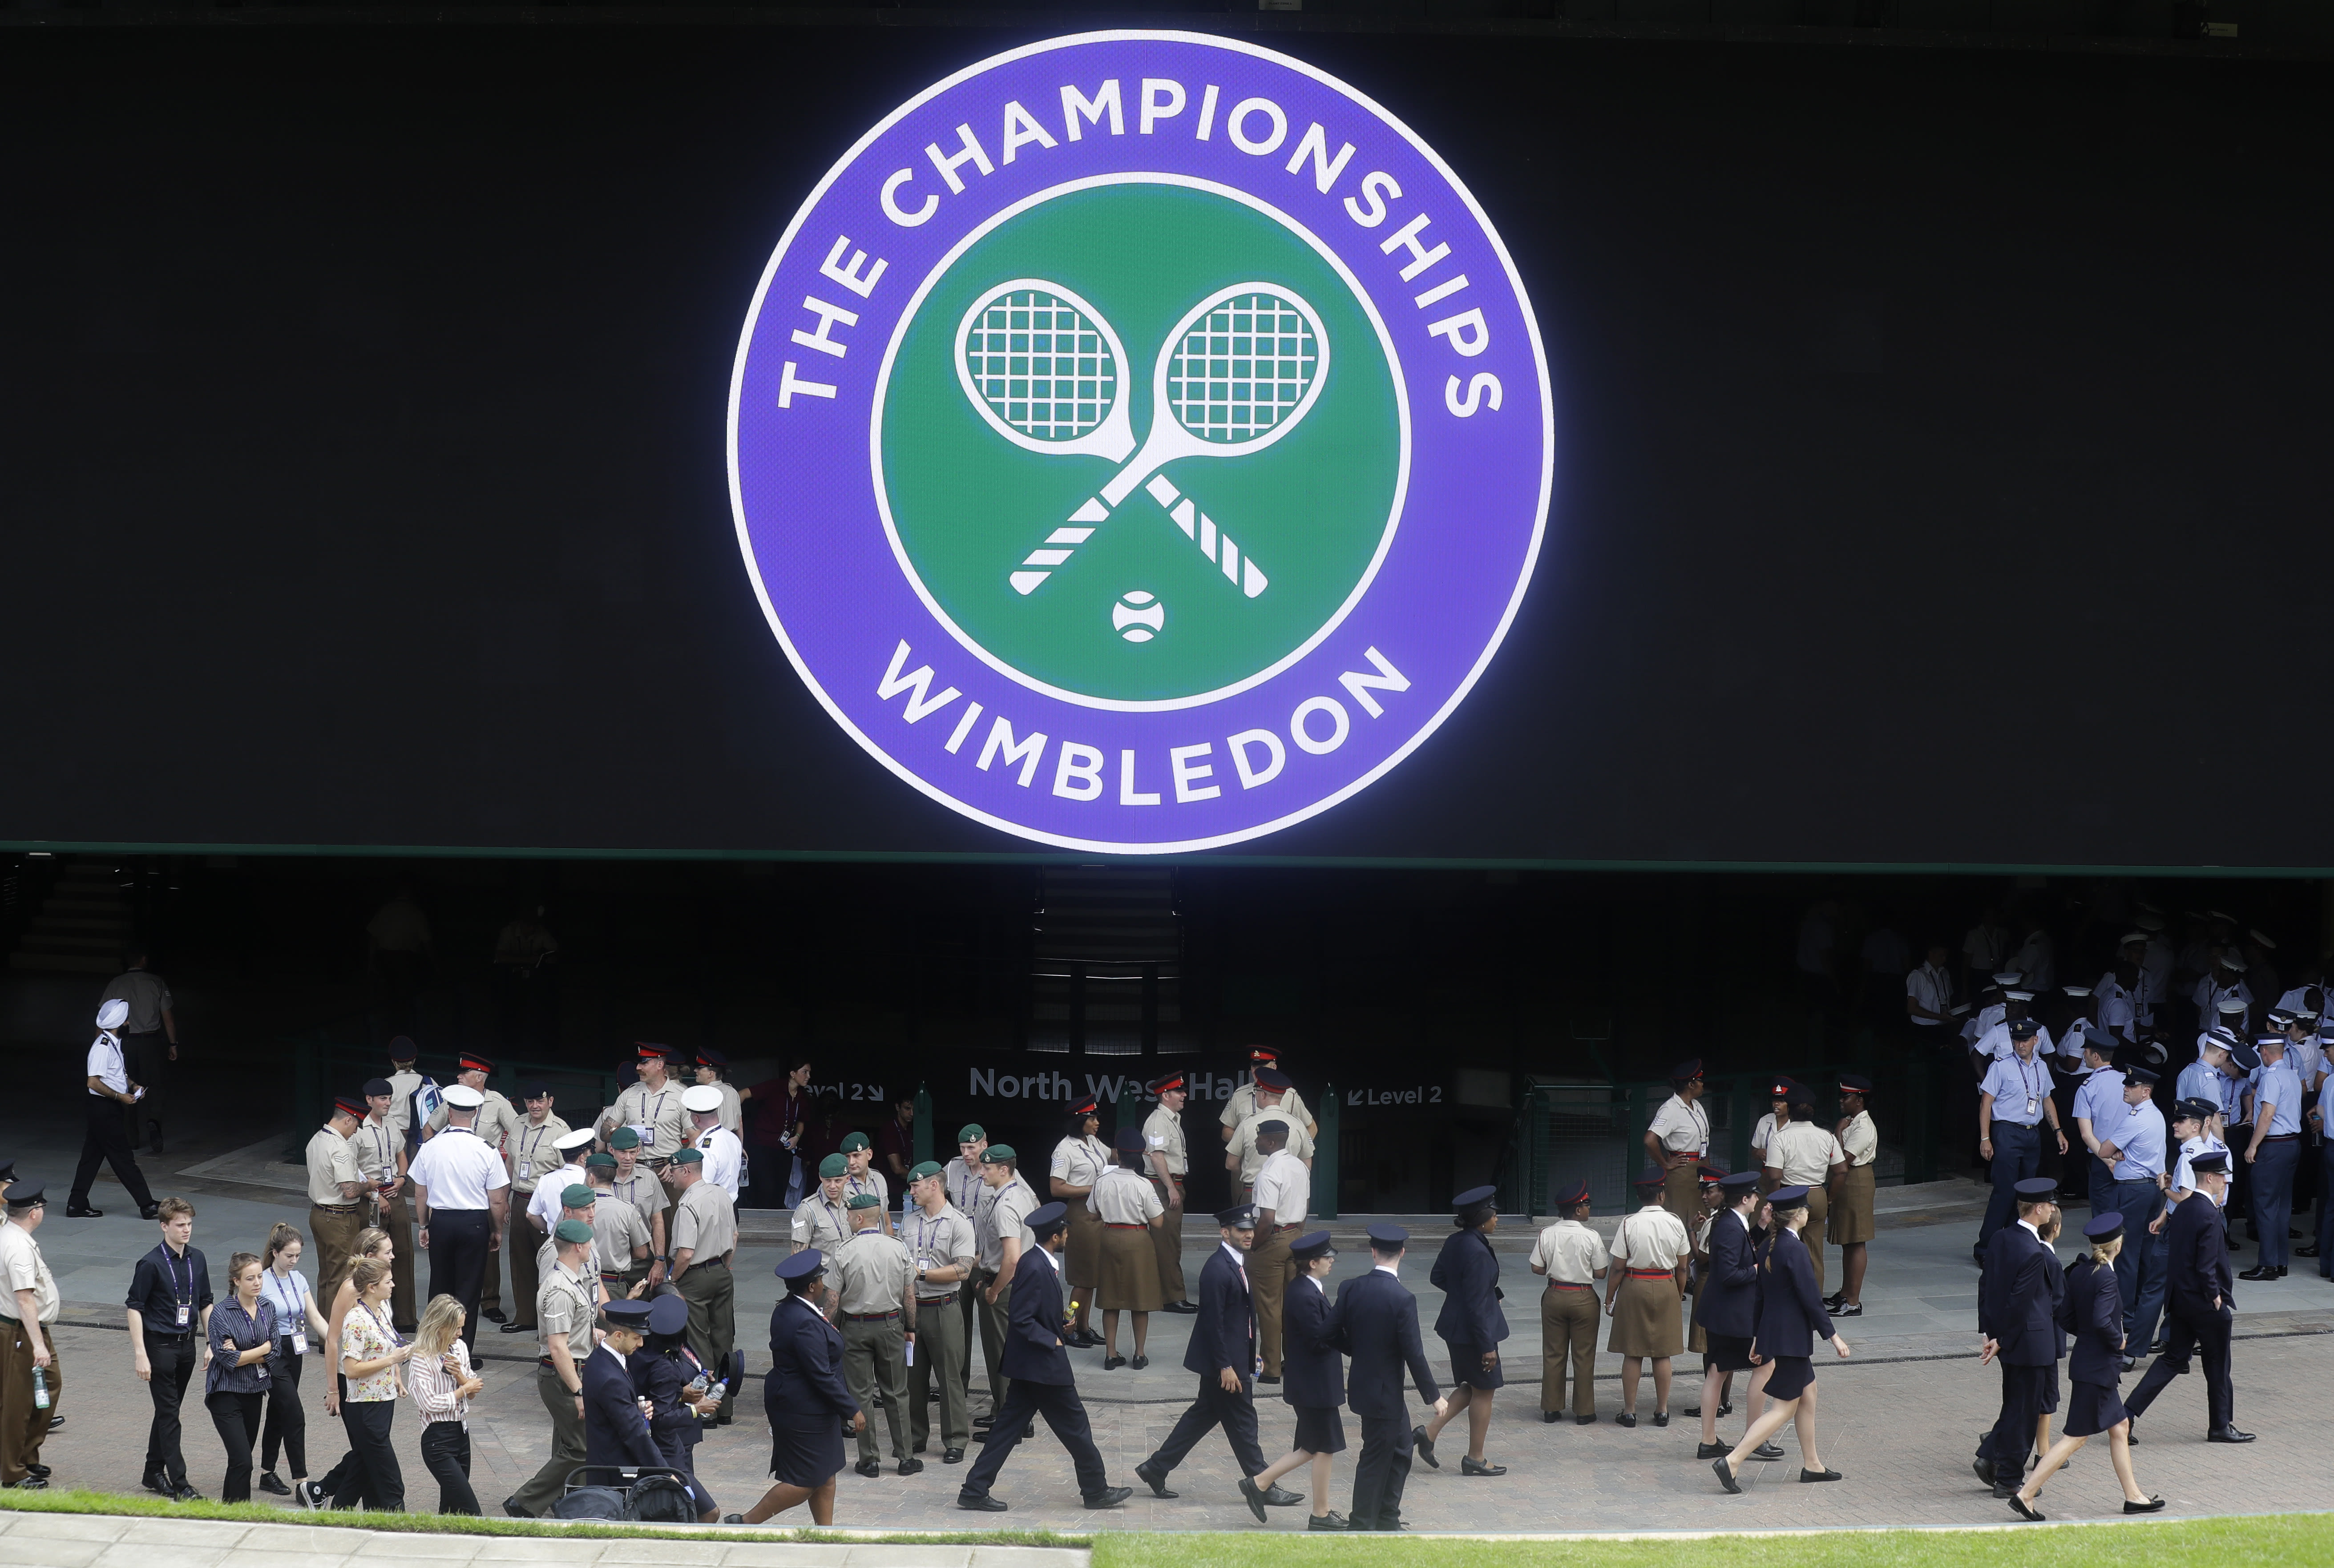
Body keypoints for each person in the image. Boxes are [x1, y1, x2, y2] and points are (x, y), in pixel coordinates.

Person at [954, 1202, 1131, 1513]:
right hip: (1043, 1366)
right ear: (1057, 1235)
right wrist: (1052, 1338)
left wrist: (1057, 1323)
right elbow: (1021, 1318)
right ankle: (1096, 1490)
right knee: (1076, 1427)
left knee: (1008, 1429)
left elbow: (1033, 1312)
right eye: (1065, 1232)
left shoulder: (1036, 1260)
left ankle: (974, 1489)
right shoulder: (1036, 1266)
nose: (1068, 1236)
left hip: (1028, 1367)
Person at [1135, 1204, 1292, 1508]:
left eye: (1250, 1230)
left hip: (1233, 1358)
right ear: (1225, 1232)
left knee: (1202, 1415)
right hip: (1225, 1364)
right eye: (1241, 1230)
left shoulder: (1237, 1262)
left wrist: (1251, 1353)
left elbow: (1240, 1318)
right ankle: (1262, 1484)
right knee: (1244, 1421)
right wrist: (1226, 1365)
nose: (1249, 1235)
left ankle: (1155, 1468)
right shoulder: (1217, 1269)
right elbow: (1213, 1322)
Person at [2009, 1213, 2164, 1520]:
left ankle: (2134, 1496)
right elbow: (2101, 1321)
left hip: (2090, 1364)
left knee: (2120, 1426)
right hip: (2097, 1368)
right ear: (2118, 1245)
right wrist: (2117, 1339)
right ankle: (2025, 1494)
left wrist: (2094, 1336)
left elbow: (2065, 1317)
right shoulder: (2106, 1276)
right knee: (2075, 1437)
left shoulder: (2081, 1272)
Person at [1710, 1185, 1849, 1493]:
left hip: (1778, 1334)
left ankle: (1812, 1464)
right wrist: (1834, 1336)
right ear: (1799, 1215)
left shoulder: (1770, 1245)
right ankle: (1733, 1461)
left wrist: (1759, 1336)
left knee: (1808, 1394)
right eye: (1806, 1209)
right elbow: (1811, 1298)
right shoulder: (1795, 1249)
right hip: (1792, 1338)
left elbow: (1760, 1297)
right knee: (1784, 1408)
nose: (1809, 1212)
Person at [2122, 1150, 2249, 1442]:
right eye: (2222, 1177)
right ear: (2210, 1178)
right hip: (2205, 1303)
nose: (2225, 1182)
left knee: (2172, 1359)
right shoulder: (2208, 1213)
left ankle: (2126, 1413)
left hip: (2180, 1300)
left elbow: (2179, 1257)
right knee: (2219, 1366)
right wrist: (2215, 1296)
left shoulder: (2185, 1208)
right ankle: (2221, 1425)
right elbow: (2207, 1263)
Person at [728, 1250, 858, 1526]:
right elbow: (820, 1375)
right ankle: (748, 1522)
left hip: (810, 1406)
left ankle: (826, 1536)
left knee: (826, 1473)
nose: (824, 1283)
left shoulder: (792, 1308)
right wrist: (852, 1409)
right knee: (806, 1480)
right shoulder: (804, 1323)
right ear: (812, 1287)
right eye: (821, 1279)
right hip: (803, 1409)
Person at [1332, 1222, 1445, 1532]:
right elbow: (1414, 1353)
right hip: (1384, 1394)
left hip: (1370, 1388)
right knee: (1375, 1456)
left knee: (1402, 1446)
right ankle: (1362, 1523)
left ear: (1373, 1252)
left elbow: (1329, 1332)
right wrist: (1434, 1396)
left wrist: (1357, 1348)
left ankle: (1387, 1516)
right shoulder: (1402, 1298)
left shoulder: (1350, 1287)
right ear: (1403, 1253)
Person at [1236, 1230, 1347, 1529]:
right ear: (1313, 1262)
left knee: (1312, 1447)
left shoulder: (1308, 1288)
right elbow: (1318, 1340)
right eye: (1328, 1258)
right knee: (1324, 1447)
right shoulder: (1305, 1293)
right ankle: (1320, 1513)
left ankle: (1259, 1482)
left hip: (1313, 1384)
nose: (1331, 1261)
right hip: (1315, 1386)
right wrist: (1347, 1327)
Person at [503, 1219, 600, 1518]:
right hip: (563, 1375)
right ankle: (525, 1501)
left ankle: (572, 1501)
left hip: (571, 1370)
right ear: (580, 1247)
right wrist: (579, 1389)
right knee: (580, 1447)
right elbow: (558, 1346)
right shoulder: (560, 1288)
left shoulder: (572, 1280)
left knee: (570, 1442)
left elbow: (575, 1330)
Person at [1974, 1177, 2064, 1499]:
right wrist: (2002, 1339)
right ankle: (2010, 1478)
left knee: (2014, 1407)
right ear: (2038, 1209)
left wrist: (1991, 1333)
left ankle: (2004, 1471)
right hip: (2028, 1344)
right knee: (2023, 1414)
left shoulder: (2000, 1239)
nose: (2053, 1209)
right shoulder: (2034, 1251)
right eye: (2050, 1205)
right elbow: (2020, 1303)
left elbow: (1987, 1287)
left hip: (2011, 1342)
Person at [408, 1082, 511, 1350]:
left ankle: (434, 1348)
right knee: (469, 1290)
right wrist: (497, 1230)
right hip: (474, 1222)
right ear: (475, 1114)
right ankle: (461, 1353)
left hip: (441, 1220)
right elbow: (497, 1199)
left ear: (449, 1113)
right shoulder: (486, 1149)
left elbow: (421, 1193)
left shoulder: (431, 1147)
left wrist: (424, 1225)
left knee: (440, 1286)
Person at [421, 1055, 521, 1326]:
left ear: (480, 1076)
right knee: (466, 1256)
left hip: (484, 1183)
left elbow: (517, 1133)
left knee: (486, 1251)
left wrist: (504, 1172)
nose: (459, 1076)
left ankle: (490, 1301)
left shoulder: (498, 1102)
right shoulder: (451, 1101)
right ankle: (461, 1327)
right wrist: (438, 1158)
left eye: (465, 1072)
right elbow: (429, 1128)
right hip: (461, 1186)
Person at [1416, 1185, 1508, 1475]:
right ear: (1482, 1218)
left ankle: (1428, 1433)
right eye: (1494, 1215)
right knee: (1485, 1390)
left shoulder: (1457, 1241)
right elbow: (1478, 1306)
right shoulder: (1478, 1251)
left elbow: (1438, 1276)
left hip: (1455, 1328)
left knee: (1470, 1386)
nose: (1498, 1219)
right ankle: (1475, 1458)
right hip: (1474, 1333)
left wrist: (1468, 1293)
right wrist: (1488, 1346)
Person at [827, 1191, 918, 1477]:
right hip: (891, 1325)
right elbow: (909, 1296)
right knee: (897, 1392)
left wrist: (827, 1327)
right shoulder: (898, 1247)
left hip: (855, 1328)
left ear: (858, 1218)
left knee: (861, 1394)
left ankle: (869, 1460)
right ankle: (905, 1458)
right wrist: (910, 1327)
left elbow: (833, 1299)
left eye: (849, 1217)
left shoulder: (844, 1251)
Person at [127, 1197, 212, 1500]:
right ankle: (180, 1482)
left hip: (186, 1344)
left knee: (169, 1410)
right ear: (164, 1226)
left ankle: (152, 1470)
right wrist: (140, 1352)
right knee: (169, 1414)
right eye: (180, 1224)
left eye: (189, 1223)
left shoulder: (197, 1258)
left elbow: (205, 1302)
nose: (186, 1229)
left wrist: (211, 1341)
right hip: (160, 1345)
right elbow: (135, 1307)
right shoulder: (150, 1263)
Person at [901, 1159, 975, 1463]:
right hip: (914, 1309)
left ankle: (955, 1439)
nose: (911, 1191)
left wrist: (922, 1274)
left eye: (915, 1185)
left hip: (944, 1307)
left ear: (934, 1185)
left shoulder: (958, 1223)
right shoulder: (909, 1222)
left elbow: (964, 1270)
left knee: (950, 1378)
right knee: (913, 1379)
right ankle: (916, 1437)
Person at [1976, 1020, 2068, 1262]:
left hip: (2032, 1133)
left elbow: (2047, 1101)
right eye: (2016, 1040)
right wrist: (1985, 1137)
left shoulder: (2041, 1068)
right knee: (2005, 1192)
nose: (2020, 1045)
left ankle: (2012, 1243)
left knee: (2027, 1195)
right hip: (2006, 1131)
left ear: (2036, 1041)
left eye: (2025, 1040)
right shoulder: (2001, 1067)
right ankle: (1985, 1248)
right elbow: (1986, 1103)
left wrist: (2058, 1130)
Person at [1604, 1171, 1691, 1428]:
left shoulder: (1629, 1223)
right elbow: (1683, 1268)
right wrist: (1677, 1294)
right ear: (1662, 1195)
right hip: (1666, 1283)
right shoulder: (1675, 1222)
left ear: (1640, 1198)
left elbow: (1618, 1267)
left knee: (1633, 1352)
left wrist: (1610, 1297)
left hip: (1634, 1284)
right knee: (1662, 1353)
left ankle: (1629, 1411)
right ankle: (1662, 1411)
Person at [2095, 1066, 2168, 1356]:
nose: (2126, 1088)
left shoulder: (2136, 1119)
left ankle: (2126, 1314)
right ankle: (2137, 1308)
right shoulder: (2156, 1114)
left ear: (2145, 1091)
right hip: (2150, 1187)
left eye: (2132, 1085)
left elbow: (2103, 1149)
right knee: (2145, 1253)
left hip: (2133, 1189)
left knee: (2126, 1253)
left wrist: (2115, 1152)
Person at [254, 1223, 328, 1500]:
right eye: (289, 1255)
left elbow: (315, 1318)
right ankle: (302, 1480)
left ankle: (267, 1473)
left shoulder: (299, 1280)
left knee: (278, 1411)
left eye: (298, 1255)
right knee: (295, 1414)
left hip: (295, 1350)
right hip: (273, 1351)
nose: (294, 1261)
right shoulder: (261, 1280)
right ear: (275, 1253)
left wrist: (337, 1340)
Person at [1692, 1171, 1763, 1458]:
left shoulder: (1733, 1222)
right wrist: (1756, 1272)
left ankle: (1709, 1441)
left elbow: (1741, 1251)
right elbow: (1730, 1273)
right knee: (1765, 1366)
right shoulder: (1732, 1226)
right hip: (1731, 1316)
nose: (1759, 1198)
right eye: (1755, 1195)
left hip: (1723, 1314)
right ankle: (1755, 1438)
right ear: (1745, 1199)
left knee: (1716, 1372)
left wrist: (1761, 1229)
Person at [69, 999, 159, 1221]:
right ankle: (147, 1205)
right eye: (127, 1021)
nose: (129, 1023)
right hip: (104, 1109)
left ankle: (76, 1204)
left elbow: (117, 1074)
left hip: (106, 1108)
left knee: (91, 1157)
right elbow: (93, 1082)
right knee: (123, 1158)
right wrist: (121, 1097)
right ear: (120, 1024)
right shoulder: (102, 1048)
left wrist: (133, 1086)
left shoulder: (113, 1043)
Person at [668, 1146, 739, 1425]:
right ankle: (725, 1409)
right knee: (724, 1340)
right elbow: (734, 1235)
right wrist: (725, 1264)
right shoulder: (721, 1193)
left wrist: (673, 1280)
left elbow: (685, 1253)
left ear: (686, 1171)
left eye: (674, 1171)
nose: (671, 1177)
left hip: (695, 1276)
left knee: (697, 1343)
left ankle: (705, 1408)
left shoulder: (687, 1205)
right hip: (722, 1271)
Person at [635, 1294, 722, 1521]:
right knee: (708, 1513)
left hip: (653, 1449)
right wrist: (696, 1409)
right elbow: (661, 1419)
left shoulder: (641, 1353)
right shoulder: (664, 1368)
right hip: (667, 1454)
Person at [201, 1251, 276, 1505]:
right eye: (250, 1278)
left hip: (254, 1391)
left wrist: (247, 1352)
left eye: (259, 1277)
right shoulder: (222, 1313)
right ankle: (236, 1510)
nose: (257, 1283)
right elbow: (226, 1359)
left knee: (240, 1460)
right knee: (244, 1459)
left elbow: (276, 1352)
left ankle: (232, 1511)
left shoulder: (267, 1308)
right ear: (236, 1281)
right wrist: (262, 1349)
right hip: (226, 1394)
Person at [0, 1180, 61, 1491]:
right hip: (21, 1332)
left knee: (49, 1385)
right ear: (35, 1212)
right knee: (18, 1402)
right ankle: (12, 1471)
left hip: (26, 1329)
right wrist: (38, 1344)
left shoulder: (11, 1234)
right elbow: (24, 1298)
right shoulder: (19, 1246)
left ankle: (25, 1455)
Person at [1528, 1178, 1604, 1426]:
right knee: (1583, 1355)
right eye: (1588, 1205)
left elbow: (1536, 1267)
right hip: (1583, 1296)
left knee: (1553, 1354)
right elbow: (1602, 1272)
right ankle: (1584, 1412)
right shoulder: (1591, 1236)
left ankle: (1551, 1409)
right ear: (1578, 1209)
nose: (1589, 1209)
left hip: (1555, 1294)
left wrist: (1556, 1268)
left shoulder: (1547, 1233)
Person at [337, 1258, 410, 1511]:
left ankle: (338, 1510)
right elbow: (351, 1369)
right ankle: (396, 1517)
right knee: (389, 1477)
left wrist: (396, 1376)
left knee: (363, 1465)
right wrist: (392, 1359)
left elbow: (387, 1348)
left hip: (383, 1400)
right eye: (388, 1282)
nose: (393, 1285)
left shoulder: (380, 1311)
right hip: (366, 1405)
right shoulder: (357, 1319)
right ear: (371, 1287)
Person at [972, 1145, 1038, 1419]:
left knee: (1001, 1353)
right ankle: (1016, 1414)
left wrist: (993, 1290)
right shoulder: (1021, 1194)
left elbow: (1011, 1258)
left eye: (987, 1168)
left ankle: (1007, 1415)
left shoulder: (1005, 1204)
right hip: (1021, 1283)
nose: (982, 1173)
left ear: (1004, 1170)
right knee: (1017, 1352)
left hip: (1006, 1286)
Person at [1090, 1128, 1165, 1369]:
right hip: (1138, 1238)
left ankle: (1111, 1354)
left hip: (1110, 1235)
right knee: (1140, 1299)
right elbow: (1158, 1221)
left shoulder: (1103, 1181)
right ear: (1140, 1156)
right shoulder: (1143, 1184)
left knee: (1111, 1298)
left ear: (1118, 1155)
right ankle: (1139, 1355)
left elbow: (1092, 1213)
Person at [504, 1084, 570, 1339]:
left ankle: (550, 1320)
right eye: (530, 1102)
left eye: (540, 1102)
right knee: (520, 1259)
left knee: (550, 1260)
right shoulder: (518, 1124)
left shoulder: (560, 1129)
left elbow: (567, 1170)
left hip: (546, 1202)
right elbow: (511, 1162)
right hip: (520, 1198)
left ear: (550, 1101)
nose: (535, 1107)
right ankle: (525, 1317)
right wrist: (506, 1197)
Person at [406, 1294, 483, 1514]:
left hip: (461, 1432)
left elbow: (474, 1391)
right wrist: (462, 1390)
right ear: (440, 1327)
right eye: (456, 1328)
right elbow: (428, 1403)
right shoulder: (421, 1358)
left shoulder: (459, 1348)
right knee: (470, 1509)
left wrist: (460, 1376)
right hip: (437, 1440)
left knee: (451, 1508)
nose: (460, 1334)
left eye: (461, 1328)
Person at [1250, 1117, 1311, 1382]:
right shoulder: (1299, 1166)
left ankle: (1271, 1370)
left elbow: (1266, 1219)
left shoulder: (1268, 1173)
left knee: (1269, 1307)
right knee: (1291, 1306)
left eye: (1259, 1138)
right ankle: (1295, 1362)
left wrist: (1252, 1246)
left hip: (1272, 1239)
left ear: (1271, 1141)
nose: (1256, 1142)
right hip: (1296, 1236)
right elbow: (1305, 1207)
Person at [2240, 1032, 2305, 1280]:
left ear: (2265, 1052)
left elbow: (2267, 1114)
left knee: (2266, 1206)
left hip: (2273, 1146)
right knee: (2282, 1206)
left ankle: (2268, 1264)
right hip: (2291, 1144)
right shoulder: (2291, 1074)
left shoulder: (2271, 1077)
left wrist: (2253, 1145)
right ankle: (2280, 1262)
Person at [1765, 1099, 1846, 1297]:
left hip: (1789, 1194)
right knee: (1814, 1253)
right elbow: (1841, 1171)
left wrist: (1775, 1205)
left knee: (1783, 1249)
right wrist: (1828, 1198)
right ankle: (1813, 1300)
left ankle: (1785, 1298)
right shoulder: (1826, 1136)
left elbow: (1775, 1176)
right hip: (1817, 1192)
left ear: (1790, 1112)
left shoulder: (1780, 1138)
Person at [101, 950, 178, 1155]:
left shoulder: (116, 984)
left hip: (124, 1043)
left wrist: (101, 1048)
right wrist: (173, 1043)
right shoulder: (156, 982)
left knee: (126, 1086)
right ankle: (153, 1120)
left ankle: (131, 1138)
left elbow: (102, 1017)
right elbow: (168, 1018)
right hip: (151, 1041)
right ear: (144, 959)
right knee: (157, 1086)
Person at [354, 1079, 417, 1331]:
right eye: (382, 1099)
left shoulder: (392, 1123)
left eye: (390, 1098)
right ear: (369, 1100)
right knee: (371, 1256)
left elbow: (401, 1152)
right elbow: (354, 1167)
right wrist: (373, 1194)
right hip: (370, 1197)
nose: (388, 1103)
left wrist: (402, 1178)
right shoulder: (358, 1127)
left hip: (394, 1192)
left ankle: (405, 1319)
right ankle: (371, 1315)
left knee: (402, 1254)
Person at [581, 1298, 668, 1476]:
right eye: (637, 1338)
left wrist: (633, 1408)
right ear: (619, 1336)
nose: (641, 1344)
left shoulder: (600, 1359)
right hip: (616, 1473)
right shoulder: (610, 1378)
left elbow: (612, 1408)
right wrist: (666, 1473)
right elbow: (635, 1434)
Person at [1049, 1099, 1110, 1348]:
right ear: (1078, 1120)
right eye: (1091, 1118)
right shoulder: (1064, 1149)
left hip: (1096, 1213)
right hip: (1080, 1213)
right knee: (1083, 1278)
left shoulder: (1093, 1142)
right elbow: (1056, 1187)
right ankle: (1068, 1325)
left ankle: (1084, 1327)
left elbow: (1111, 1154)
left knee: (1093, 1276)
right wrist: (1094, 1187)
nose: (1097, 1122)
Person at [306, 1098, 368, 1310]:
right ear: (349, 1120)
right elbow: (350, 1191)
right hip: (338, 1218)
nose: (355, 1132)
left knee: (326, 1277)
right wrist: (369, 1186)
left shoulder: (316, 1139)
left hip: (319, 1213)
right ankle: (336, 1337)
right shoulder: (340, 1147)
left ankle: (326, 1336)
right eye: (356, 1126)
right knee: (341, 1278)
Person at [598, 1044, 691, 1183]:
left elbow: (696, 1138)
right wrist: (620, 1131)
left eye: (644, 1064)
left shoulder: (681, 1095)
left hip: (668, 1171)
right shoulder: (629, 1094)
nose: (638, 1068)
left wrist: (678, 1162)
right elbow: (605, 1134)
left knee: (672, 1206)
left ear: (660, 1065)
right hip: (634, 1169)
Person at [1143, 1075, 1197, 1312]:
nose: (1184, 1094)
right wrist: (1171, 1187)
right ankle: (1172, 1297)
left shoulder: (1171, 1119)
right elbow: (1156, 1156)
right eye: (1179, 1091)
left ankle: (1165, 1294)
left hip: (1169, 1185)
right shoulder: (1158, 1121)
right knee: (1168, 1244)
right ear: (1166, 1095)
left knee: (1168, 1242)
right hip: (1163, 1186)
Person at [1824, 1076, 1878, 1316]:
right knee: (1848, 1240)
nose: (1841, 1100)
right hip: (1848, 1180)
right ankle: (1846, 1293)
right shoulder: (1852, 1122)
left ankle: (1853, 1301)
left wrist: (1837, 1131)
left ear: (1860, 1100)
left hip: (1856, 1179)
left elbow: (1842, 1159)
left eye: (1846, 1097)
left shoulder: (1863, 1126)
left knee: (1856, 1240)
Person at [1227, 1069, 1317, 1204]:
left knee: (1252, 1226)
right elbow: (1307, 1165)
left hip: (1254, 1193)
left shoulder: (1247, 1124)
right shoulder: (1298, 1125)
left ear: (1263, 1095)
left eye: (1257, 1091)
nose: (1255, 1095)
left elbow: (1231, 1164)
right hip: (1287, 1194)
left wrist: (1248, 1169)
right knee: (1288, 1227)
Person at [1645, 1059, 1711, 1229]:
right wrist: (1665, 1163)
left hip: (1701, 1170)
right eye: (1700, 1081)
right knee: (1681, 1221)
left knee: (1701, 1220)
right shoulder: (1671, 1109)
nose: (1703, 1084)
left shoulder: (1696, 1105)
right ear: (1691, 1084)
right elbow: (1650, 1140)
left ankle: (1698, 1257)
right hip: (1682, 1171)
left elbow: (1703, 1140)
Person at [744, 1056, 813, 1211]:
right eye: (805, 1072)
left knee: (780, 1190)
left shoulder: (803, 1096)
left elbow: (802, 1121)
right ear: (793, 1073)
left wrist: (797, 1137)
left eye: (809, 1072)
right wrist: (734, 1122)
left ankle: (775, 1228)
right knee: (764, 1189)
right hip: (761, 1146)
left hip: (784, 1149)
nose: (808, 1076)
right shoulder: (774, 1087)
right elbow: (742, 1094)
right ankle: (757, 1226)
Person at [2071, 1036, 2128, 1217]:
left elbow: (2087, 1135)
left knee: (2104, 1218)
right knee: (2130, 1215)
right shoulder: (2129, 1082)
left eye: (2086, 1052)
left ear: (2095, 1056)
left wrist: (2108, 1161)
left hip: (2102, 1158)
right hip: (2130, 1156)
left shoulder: (2087, 1088)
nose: (2083, 1056)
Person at [583, 1153, 653, 1298]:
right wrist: (620, 1253)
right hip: (613, 1285)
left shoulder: (575, 1206)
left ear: (591, 1178)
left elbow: (557, 1241)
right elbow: (642, 1253)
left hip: (581, 1281)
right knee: (614, 1320)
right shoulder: (627, 1210)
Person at [1220, 1048, 1319, 1149]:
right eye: (1254, 1066)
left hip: (1281, 1162)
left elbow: (1312, 1128)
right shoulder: (1239, 1095)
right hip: (1250, 1163)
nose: (1256, 1071)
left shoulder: (1290, 1095)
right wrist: (1246, 1141)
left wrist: (1300, 1152)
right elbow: (1226, 1132)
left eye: (1262, 1067)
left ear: (1274, 1068)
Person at [606, 1129, 670, 1280]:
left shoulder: (649, 1177)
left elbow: (658, 1221)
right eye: (623, 1152)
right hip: (610, 1255)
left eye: (632, 1152)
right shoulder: (600, 1176)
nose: (628, 1158)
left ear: (639, 1151)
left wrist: (660, 1260)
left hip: (642, 1255)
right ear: (611, 1150)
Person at [685, 1085, 743, 1202]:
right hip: (731, 1205)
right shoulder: (732, 1137)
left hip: (713, 1209)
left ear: (696, 1119)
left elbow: (702, 1187)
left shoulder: (706, 1149)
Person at [793, 1153, 853, 1256]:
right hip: (825, 1271)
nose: (832, 1186)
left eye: (838, 1181)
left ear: (847, 1179)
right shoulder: (807, 1210)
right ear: (821, 1178)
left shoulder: (854, 1202)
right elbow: (797, 1257)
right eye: (828, 1181)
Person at [837, 1132, 892, 1235]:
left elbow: (887, 1221)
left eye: (856, 1156)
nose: (851, 1162)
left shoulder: (879, 1179)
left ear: (869, 1155)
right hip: (854, 1248)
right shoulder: (837, 1184)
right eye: (847, 1157)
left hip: (880, 1246)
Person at [693, 1049, 745, 1136]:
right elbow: (740, 1123)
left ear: (711, 1074)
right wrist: (740, 1146)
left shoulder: (703, 1095)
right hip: (732, 1141)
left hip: (712, 1141)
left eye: (700, 1068)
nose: (695, 1070)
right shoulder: (732, 1091)